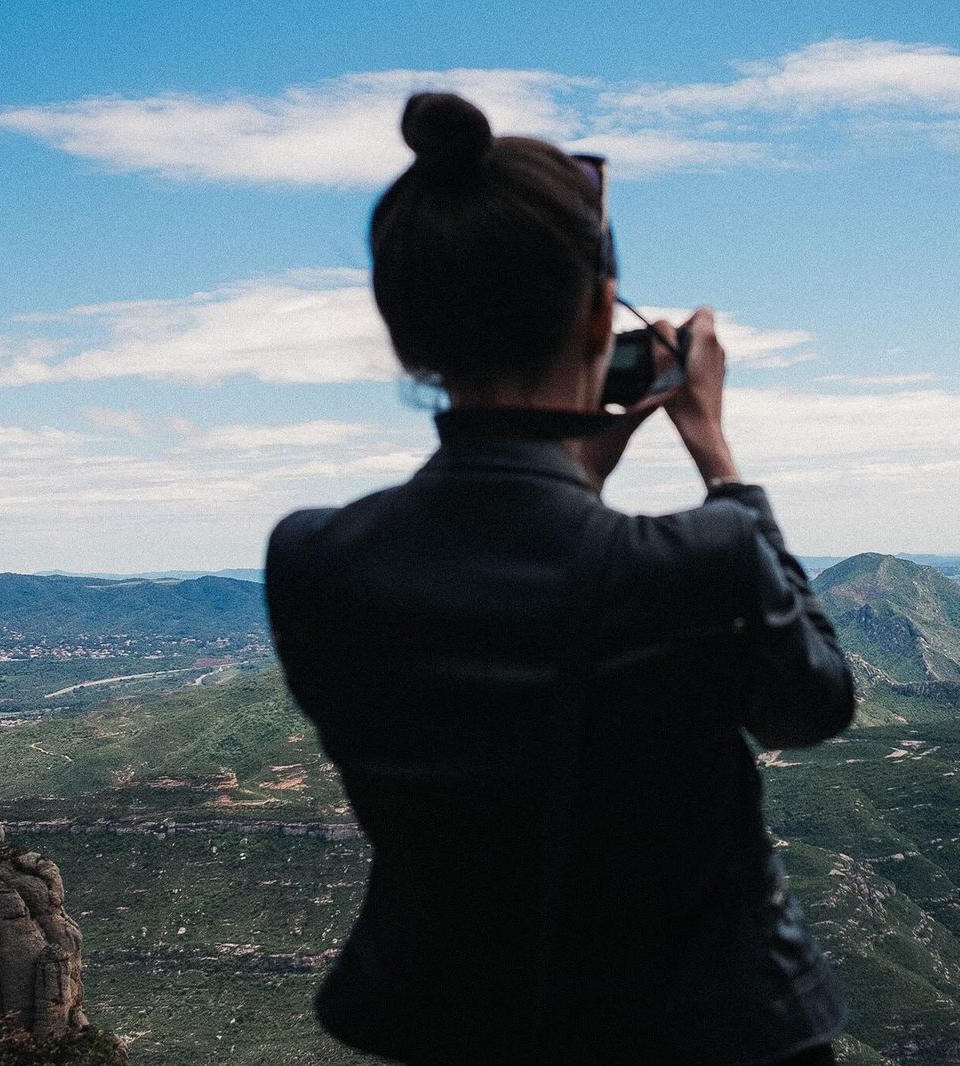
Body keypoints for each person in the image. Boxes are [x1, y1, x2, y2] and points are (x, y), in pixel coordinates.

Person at [263, 92, 854, 1065]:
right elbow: (814, 705)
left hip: (458, 1037)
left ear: (407, 337)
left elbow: (507, 590)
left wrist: (570, 464)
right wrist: (718, 456)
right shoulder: (701, 560)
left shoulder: (314, 562)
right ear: (596, 319)